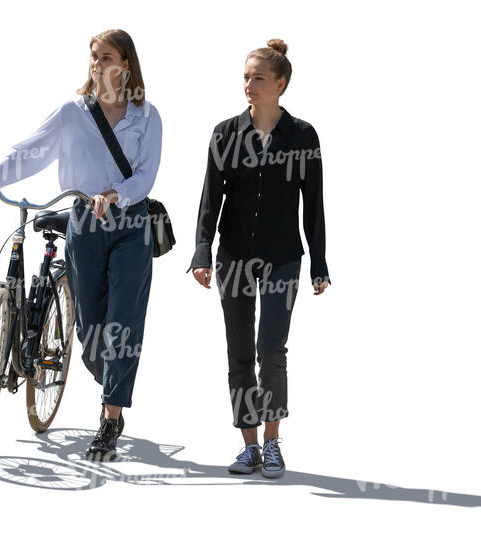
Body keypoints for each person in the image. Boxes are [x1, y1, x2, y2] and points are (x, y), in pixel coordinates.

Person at [0, 29, 163, 462]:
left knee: (123, 320)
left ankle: (110, 417)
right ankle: (108, 380)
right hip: (84, 223)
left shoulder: (146, 116)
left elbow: (145, 176)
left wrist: (114, 195)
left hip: (130, 225)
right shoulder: (73, 112)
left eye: (105, 56)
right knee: (89, 333)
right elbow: (29, 151)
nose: (96, 63)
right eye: (92, 56)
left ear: (125, 64)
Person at [187, 39, 331, 478]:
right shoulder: (225, 134)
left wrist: (320, 263)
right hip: (233, 257)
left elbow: (315, 204)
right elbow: (210, 198)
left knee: (271, 349)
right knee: (239, 352)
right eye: (246, 77)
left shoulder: (303, 136)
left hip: (283, 258)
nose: (249, 85)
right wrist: (201, 251)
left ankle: (272, 442)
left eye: (259, 78)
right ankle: (247, 445)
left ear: (280, 84)